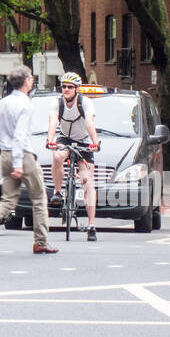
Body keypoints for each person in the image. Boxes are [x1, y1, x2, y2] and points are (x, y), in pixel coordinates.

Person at [0, 65, 55, 254]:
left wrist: (7, 156)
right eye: (31, 78)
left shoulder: (5, 103)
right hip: (21, 155)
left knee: (8, 201)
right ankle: (40, 241)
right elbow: (20, 135)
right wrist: (18, 163)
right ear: (26, 82)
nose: (32, 80)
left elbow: (0, 132)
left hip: (5, 154)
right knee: (39, 199)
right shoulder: (26, 104)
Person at [48, 72, 100, 241]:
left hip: (84, 141)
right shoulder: (58, 103)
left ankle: (91, 225)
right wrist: (50, 141)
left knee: (87, 182)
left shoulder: (85, 102)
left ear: (77, 89)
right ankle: (57, 192)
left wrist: (95, 142)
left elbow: (89, 123)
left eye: (70, 87)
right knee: (57, 157)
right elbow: (53, 121)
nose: (66, 89)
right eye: (64, 86)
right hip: (65, 138)